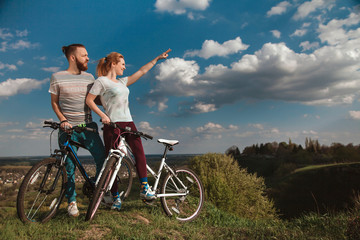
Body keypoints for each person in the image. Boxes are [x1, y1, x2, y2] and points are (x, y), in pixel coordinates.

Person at [86, 49, 171, 203]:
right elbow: (89, 100)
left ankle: (145, 188)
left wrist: (156, 59)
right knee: (111, 161)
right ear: (113, 64)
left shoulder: (123, 82)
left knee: (139, 153)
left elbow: (142, 71)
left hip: (129, 122)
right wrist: (103, 116)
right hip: (112, 124)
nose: (124, 67)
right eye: (122, 64)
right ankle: (115, 197)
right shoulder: (101, 82)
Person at [49, 44, 109, 217]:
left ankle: (96, 191)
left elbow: (95, 100)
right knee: (68, 167)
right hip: (67, 128)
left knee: (102, 160)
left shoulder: (89, 77)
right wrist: (63, 120)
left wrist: (111, 97)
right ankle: (72, 202)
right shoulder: (57, 77)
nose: (88, 58)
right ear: (73, 57)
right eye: (84, 55)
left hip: (88, 128)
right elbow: (54, 102)